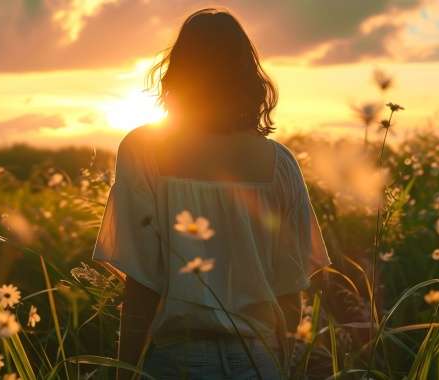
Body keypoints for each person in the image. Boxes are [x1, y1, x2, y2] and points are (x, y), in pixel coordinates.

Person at [92, 8, 332, 380]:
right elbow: (290, 294)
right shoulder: (281, 163)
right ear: (248, 77)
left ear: (178, 74)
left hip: (177, 360)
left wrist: (125, 372)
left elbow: (142, 288)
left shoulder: (143, 150)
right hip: (259, 359)